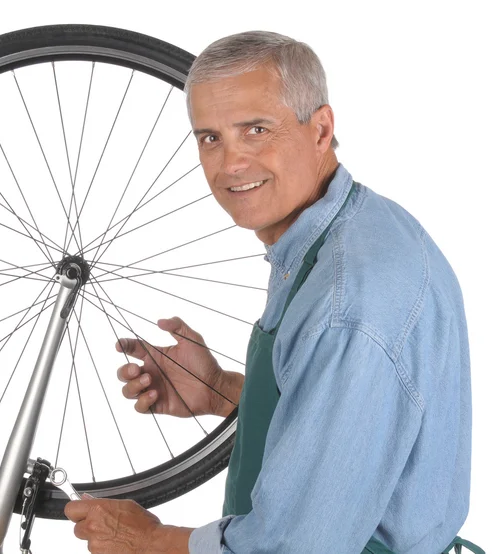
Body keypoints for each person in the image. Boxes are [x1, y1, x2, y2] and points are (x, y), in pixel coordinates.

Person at [65, 31, 483, 553]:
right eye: (210, 138)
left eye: (256, 130)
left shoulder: (349, 299)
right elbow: (348, 428)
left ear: (321, 129)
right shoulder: (343, 228)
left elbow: (293, 550)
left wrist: (147, 540)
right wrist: (221, 390)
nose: (230, 164)